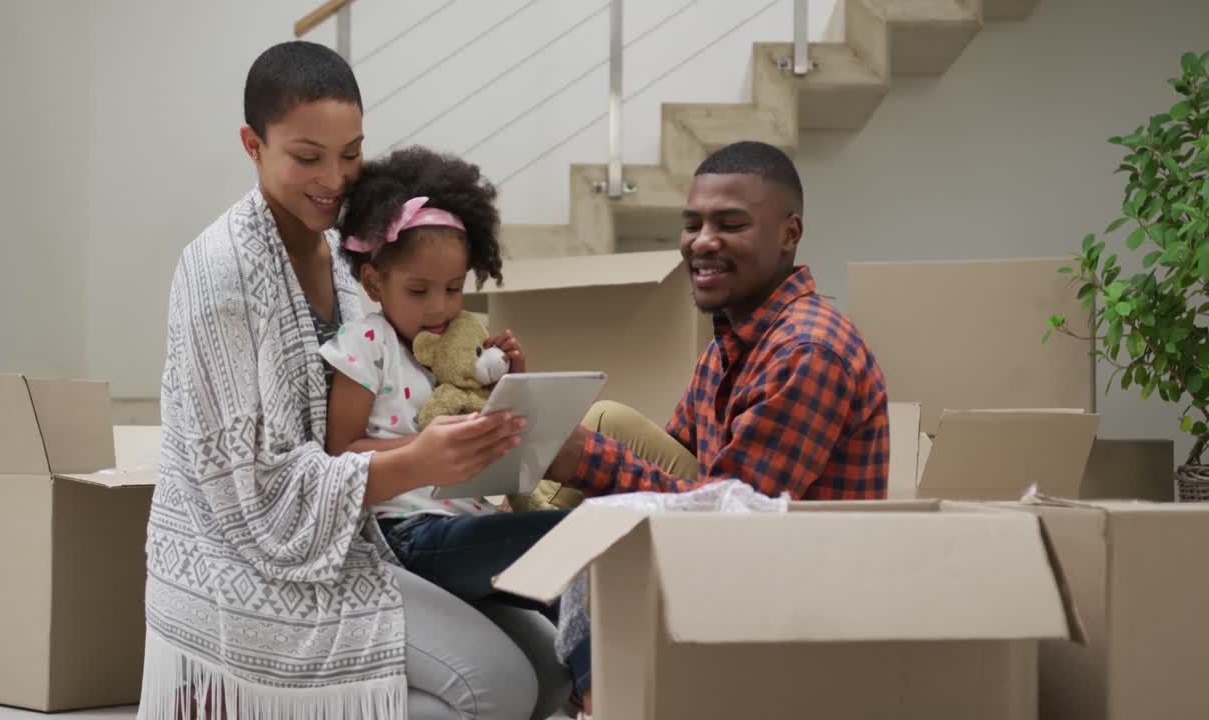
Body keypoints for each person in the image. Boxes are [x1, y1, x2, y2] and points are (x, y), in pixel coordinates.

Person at [139, 41, 562, 720]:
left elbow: (398, 385)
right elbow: (255, 496)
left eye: (352, 153)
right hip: (246, 570)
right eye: (308, 157)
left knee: (552, 670)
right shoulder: (220, 274)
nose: (335, 179)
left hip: (354, 537)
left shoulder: (345, 254)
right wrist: (415, 462)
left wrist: (487, 398)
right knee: (498, 688)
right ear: (253, 144)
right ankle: (234, 702)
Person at [320, 145, 589, 716]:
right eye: (418, 291)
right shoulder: (368, 345)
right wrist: (425, 451)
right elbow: (339, 454)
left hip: (461, 521)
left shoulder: (450, 355)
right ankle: (599, 692)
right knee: (572, 537)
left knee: (575, 559)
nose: (440, 307)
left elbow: (492, 441)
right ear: (373, 282)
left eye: (453, 289)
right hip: (406, 535)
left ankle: (586, 680)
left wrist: (510, 387)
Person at [547, 140, 890, 500]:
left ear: (789, 234)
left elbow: (735, 518)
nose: (703, 242)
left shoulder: (806, 351)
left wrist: (585, 460)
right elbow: (676, 465)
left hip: (784, 552)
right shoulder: (727, 345)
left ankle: (516, 542)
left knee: (589, 451)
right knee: (608, 421)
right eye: (693, 225)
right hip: (731, 538)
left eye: (730, 224)